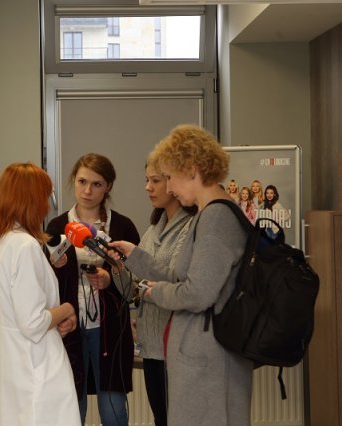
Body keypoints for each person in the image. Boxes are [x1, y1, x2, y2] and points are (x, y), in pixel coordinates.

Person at [109, 125, 253, 426]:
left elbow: (197, 293)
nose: (170, 188)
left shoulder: (216, 218)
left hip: (209, 358)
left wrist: (152, 291)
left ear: (191, 170)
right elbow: (179, 275)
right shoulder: (208, 215)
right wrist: (135, 256)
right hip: (201, 354)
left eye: (169, 177)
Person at [46, 153, 140, 426]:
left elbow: (137, 283)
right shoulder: (57, 227)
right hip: (68, 327)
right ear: (73, 181)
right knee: (71, 408)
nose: (87, 191)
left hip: (109, 329)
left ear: (108, 187)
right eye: (82, 182)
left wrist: (111, 280)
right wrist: (56, 266)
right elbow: (45, 282)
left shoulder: (122, 227)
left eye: (96, 184)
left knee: (113, 410)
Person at [0, 162, 80, 426]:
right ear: (31, 200)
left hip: (13, 364)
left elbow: (20, 309)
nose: (47, 206)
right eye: (45, 197)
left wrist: (55, 318)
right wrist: (68, 309)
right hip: (37, 365)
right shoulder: (25, 247)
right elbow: (33, 323)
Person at [114, 155, 196, 426]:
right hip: (151, 345)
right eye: (147, 180)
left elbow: (175, 281)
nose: (148, 187)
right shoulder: (153, 229)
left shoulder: (191, 227)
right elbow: (132, 291)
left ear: (173, 182)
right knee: (161, 418)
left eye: (155, 180)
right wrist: (118, 268)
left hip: (176, 345)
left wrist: (136, 258)